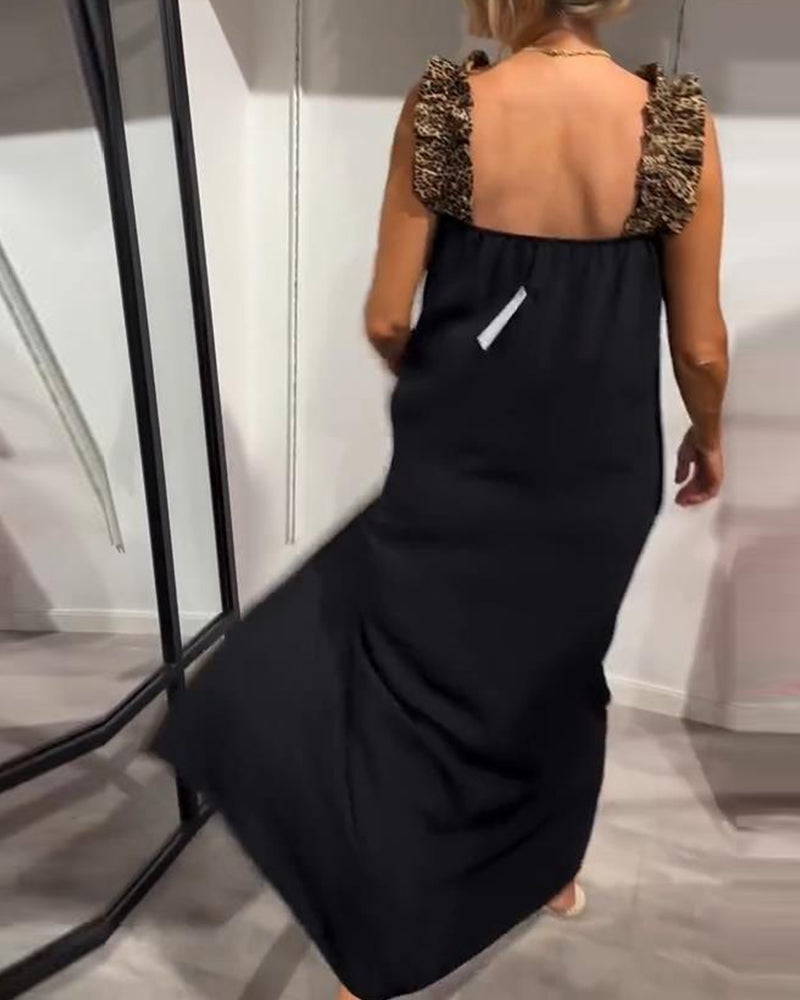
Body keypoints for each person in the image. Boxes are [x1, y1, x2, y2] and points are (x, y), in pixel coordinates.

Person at [153, 1, 729, 998]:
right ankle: (547, 872)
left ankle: (379, 931)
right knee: (555, 673)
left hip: (457, 460)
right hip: (598, 475)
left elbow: (387, 316)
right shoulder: (674, 124)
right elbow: (700, 346)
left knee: (417, 688)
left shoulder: (446, 109)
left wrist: (450, 378)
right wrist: (707, 431)